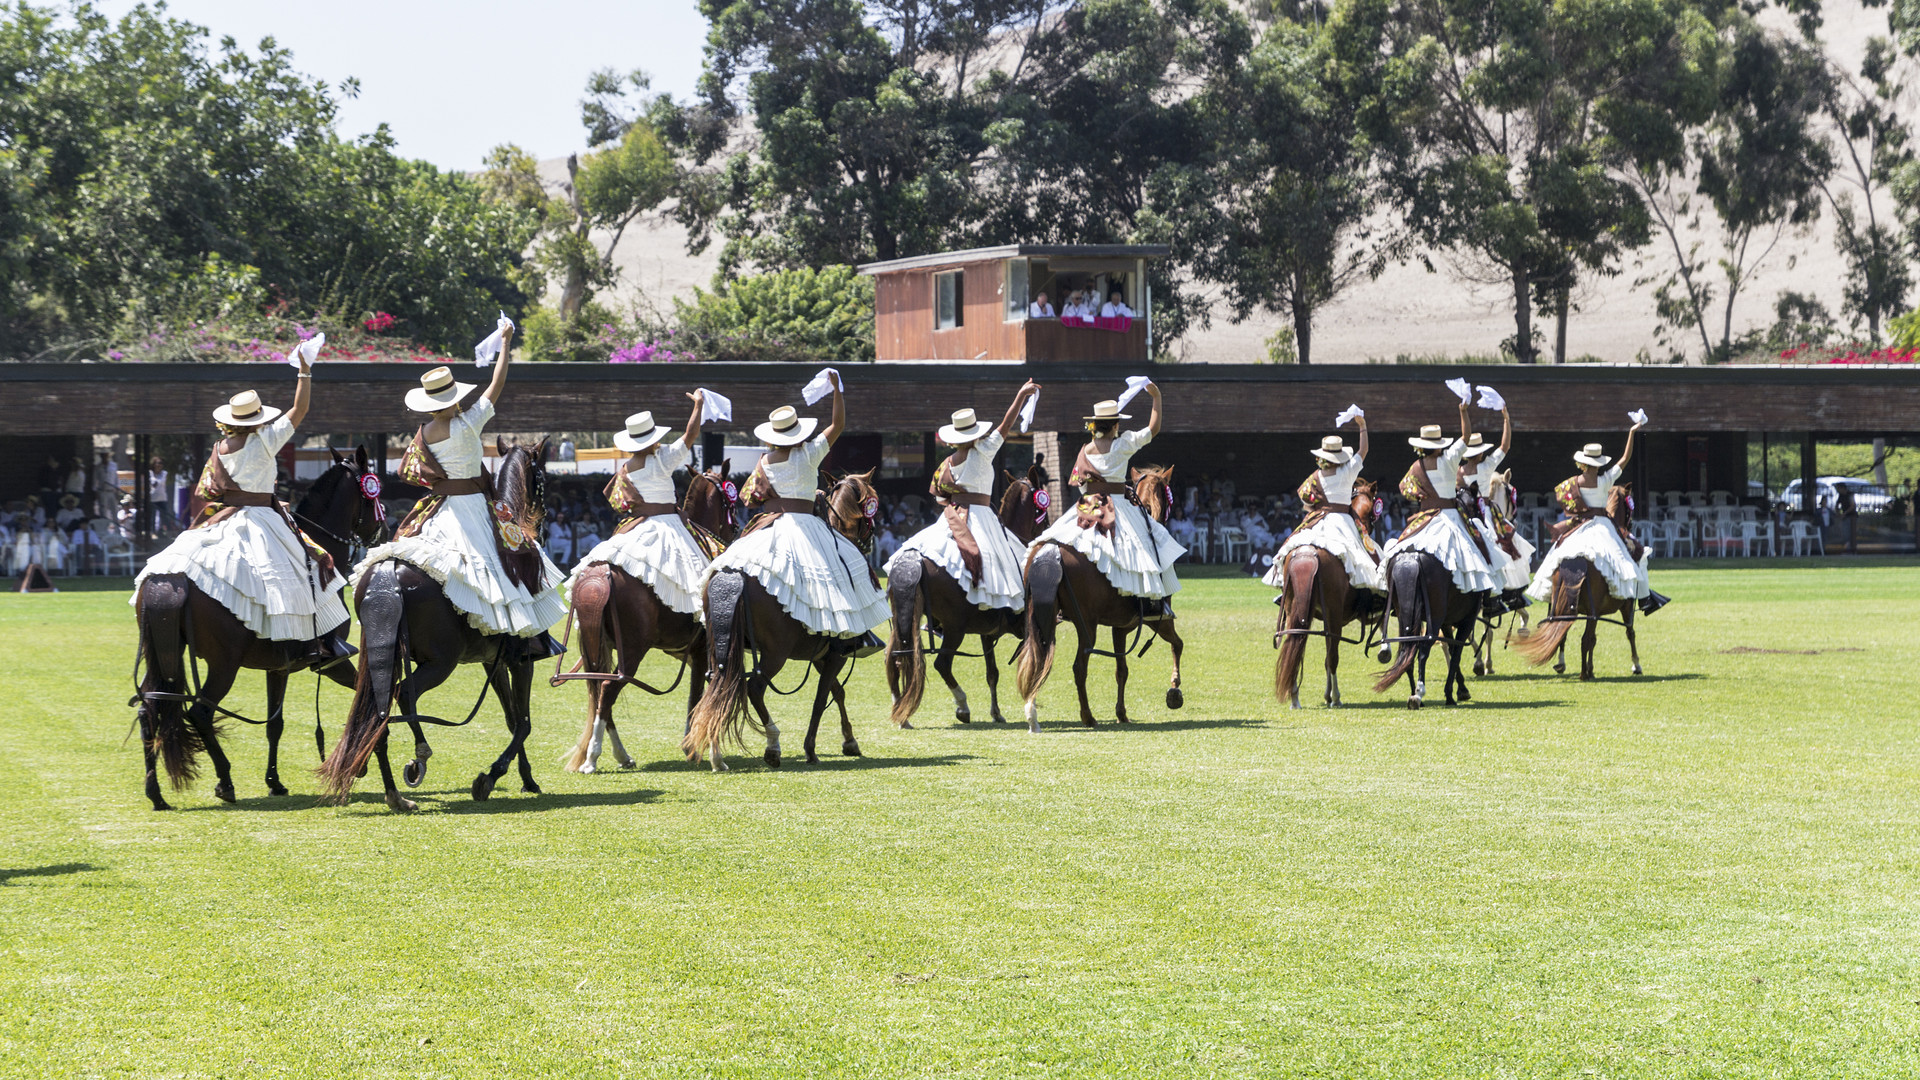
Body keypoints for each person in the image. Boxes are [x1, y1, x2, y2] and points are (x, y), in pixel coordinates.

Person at [352, 341, 567, 655]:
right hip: (473, 507)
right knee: (518, 555)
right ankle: (520, 638)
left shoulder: (423, 433)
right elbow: (498, 382)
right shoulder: (469, 423)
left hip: (437, 508)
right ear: (454, 396)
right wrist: (505, 344)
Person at [130, 358, 351, 663]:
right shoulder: (265, 440)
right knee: (311, 566)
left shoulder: (220, 447)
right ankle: (322, 643)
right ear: (258, 419)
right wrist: (305, 371)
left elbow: (207, 490)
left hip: (227, 517)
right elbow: (300, 410)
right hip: (264, 519)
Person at [699, 372, 888, 649]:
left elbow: (749, 497)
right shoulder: (809, 454)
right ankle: (852, 635)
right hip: (806, 524)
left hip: (773, 523)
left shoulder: (764, 461)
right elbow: (838, 423)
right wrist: (837, 391)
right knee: (849, 564)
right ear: (797, 430)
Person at [1029, 387, 1185, 618]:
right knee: (1153, 542)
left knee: (1067, 541)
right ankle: (1153, 603)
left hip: (1086, 506)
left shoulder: (1085, 450)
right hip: (1117, 505)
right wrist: (1156, 397)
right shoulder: (1123, 444)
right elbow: (1154, 428)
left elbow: (1081, 485)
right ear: (1115, 425)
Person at [889, 381, 1042, 611]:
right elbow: (1007, 423)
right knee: (1009, 559)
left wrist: (954, 505)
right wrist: (1020, 395)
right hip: (981, 517)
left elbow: (939, 498)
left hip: (951, 517)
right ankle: (996, 612)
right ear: (974, 433)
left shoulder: (945, 464)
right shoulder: (983, 451)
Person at [566, 393, 716, 616]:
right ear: (653, 438)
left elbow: (622, 505)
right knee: (701, 576)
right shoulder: (662, 459)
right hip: (669, 525)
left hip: (638, 524)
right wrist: (698, 406)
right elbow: (690, 434)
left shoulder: (626, 467)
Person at [1526, 419, 1669, 615]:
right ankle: (1643, 598)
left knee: (1556, 553)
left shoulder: (1573, 482)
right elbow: (1625, 459)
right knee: (1634, 554)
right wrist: (1632, 433)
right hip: (1603, 527)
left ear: (1582, 463)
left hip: (1580, 527)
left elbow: (1567, 503)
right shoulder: (1605, 480)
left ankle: (1554, 596)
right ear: (1599, 462)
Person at [1378, 395, 1499, 605]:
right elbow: (1466, 436)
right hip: (1450, 517)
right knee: (1480, 545)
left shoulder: (1416, 467)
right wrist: (1463, 411)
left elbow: (1404, 488)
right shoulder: (1450, 459)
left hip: (1424, 518)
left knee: (1400, 544)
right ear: (1439, 444)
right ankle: (1486, 599)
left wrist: (1424, 496)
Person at [1262, 417, 1385, 610]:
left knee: (1294, 543)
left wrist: (1317, 507)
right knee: (1367, 553)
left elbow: (1303, 495)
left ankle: (1285, 587)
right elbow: (1364, 451)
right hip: (1343, 521)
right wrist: (1362, 426)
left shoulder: (1316, 476)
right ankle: (1373, 593)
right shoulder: (1348, 471)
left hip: (1319, 519)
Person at [1456, 403, 1534, 613]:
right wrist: (1506, 419)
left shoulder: (1458, 471)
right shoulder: (1486, 466)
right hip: (1484, 514)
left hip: (1461, 514)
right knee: (1504, 545)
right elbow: (1504, 446)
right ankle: (1504, 594)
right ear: (1480, 453)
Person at [93, 450, 121, 519]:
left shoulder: (113, 465)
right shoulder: (97, 467)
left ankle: (116, 526)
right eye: (103, 455)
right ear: (101, 456)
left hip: (111, 490)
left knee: (114, 509)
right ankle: (104, 526)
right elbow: (94, 480)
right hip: (102, 491)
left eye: (106, 455)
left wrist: (117, 489)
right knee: (103, 510)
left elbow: (116, 478)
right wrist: (95, 491)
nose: (104, 457)